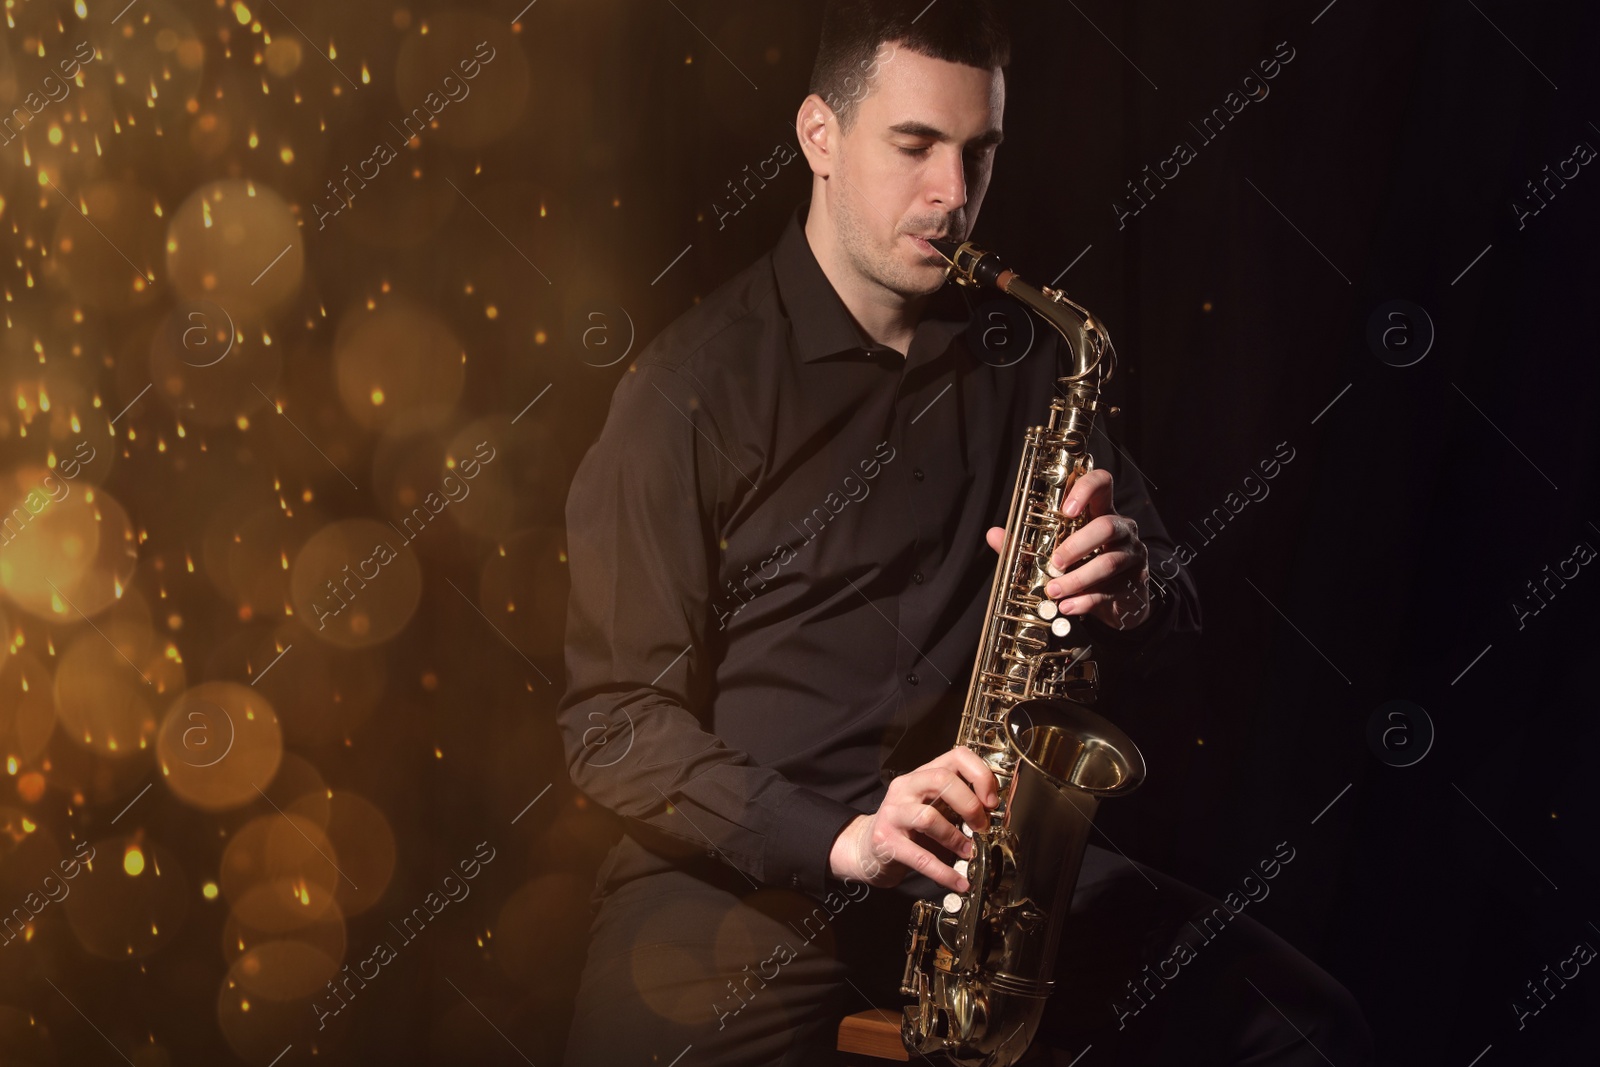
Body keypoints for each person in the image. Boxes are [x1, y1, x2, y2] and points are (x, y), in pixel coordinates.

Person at [557, 1, 1376, 1063]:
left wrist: (1132, 587)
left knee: (1306, 1027)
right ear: (819, 136)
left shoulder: (1028, 361)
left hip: (986, 870)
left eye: (976, 153)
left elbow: (1177, 603)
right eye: (914, 147)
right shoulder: (684, 392)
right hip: (745, 879)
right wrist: (841, 838)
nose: (951, 197)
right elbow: (613, 724)